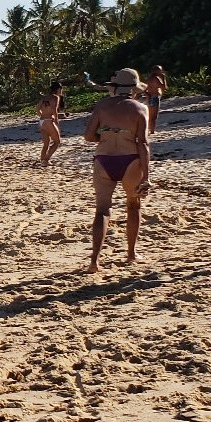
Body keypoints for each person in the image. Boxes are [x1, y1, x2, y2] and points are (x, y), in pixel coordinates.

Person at [83, 69, 151, 273]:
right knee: (133, 205)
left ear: (114, 88)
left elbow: (88, 136)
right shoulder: (140, 109)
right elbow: (143, 143)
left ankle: (94, 260)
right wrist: (147, 176)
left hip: (103, 159)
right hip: (130, 160)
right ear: (134, 89)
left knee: (102, 211)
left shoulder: (102, 106)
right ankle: (131, 253)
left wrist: (105, 136)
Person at [37, 82, 63, 166]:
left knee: (46, 143)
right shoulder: (55, 97)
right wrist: (56, 120)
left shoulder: (44, 97)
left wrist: (42, 115)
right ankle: (46, 159)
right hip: (48, 121)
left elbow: (37, 109)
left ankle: (42, 160)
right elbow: (54, 109)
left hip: (41, 121)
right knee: (57, 142)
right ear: (58, 89)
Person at [144, 65, 168, 134]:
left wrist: (147, 94)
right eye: (160, 70)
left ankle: (148, 129)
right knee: (154, 116)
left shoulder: (149, 78)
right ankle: (152, 130)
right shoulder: (156, 78)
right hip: (155, 97)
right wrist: (164, 78)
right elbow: (164, 87)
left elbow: (144, 88)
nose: (161, 71)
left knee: (150, 115)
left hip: (150, 97)